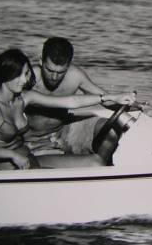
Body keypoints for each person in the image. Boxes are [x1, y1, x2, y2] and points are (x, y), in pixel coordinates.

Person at [0, 48, 136, 170]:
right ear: (5, 75)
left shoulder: (24, 97)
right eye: (19, 75)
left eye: (26, 74)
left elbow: (69, 101)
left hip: (28, 159)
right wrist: (12, 156)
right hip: (8, 167)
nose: (25, 80)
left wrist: (110, 97)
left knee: (96, 163)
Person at [24, 37, 128, 166]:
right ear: (41, 61)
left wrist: (141, 106)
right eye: (50, 70)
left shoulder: (75, 75)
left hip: (63, 131)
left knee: (112, 130)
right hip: (32, 144)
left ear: (69, 65)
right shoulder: (27, 78)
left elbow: (106, 100)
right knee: (96, 163)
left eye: (61, 72)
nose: (54, 77)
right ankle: (91, 166)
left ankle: (100, 172)